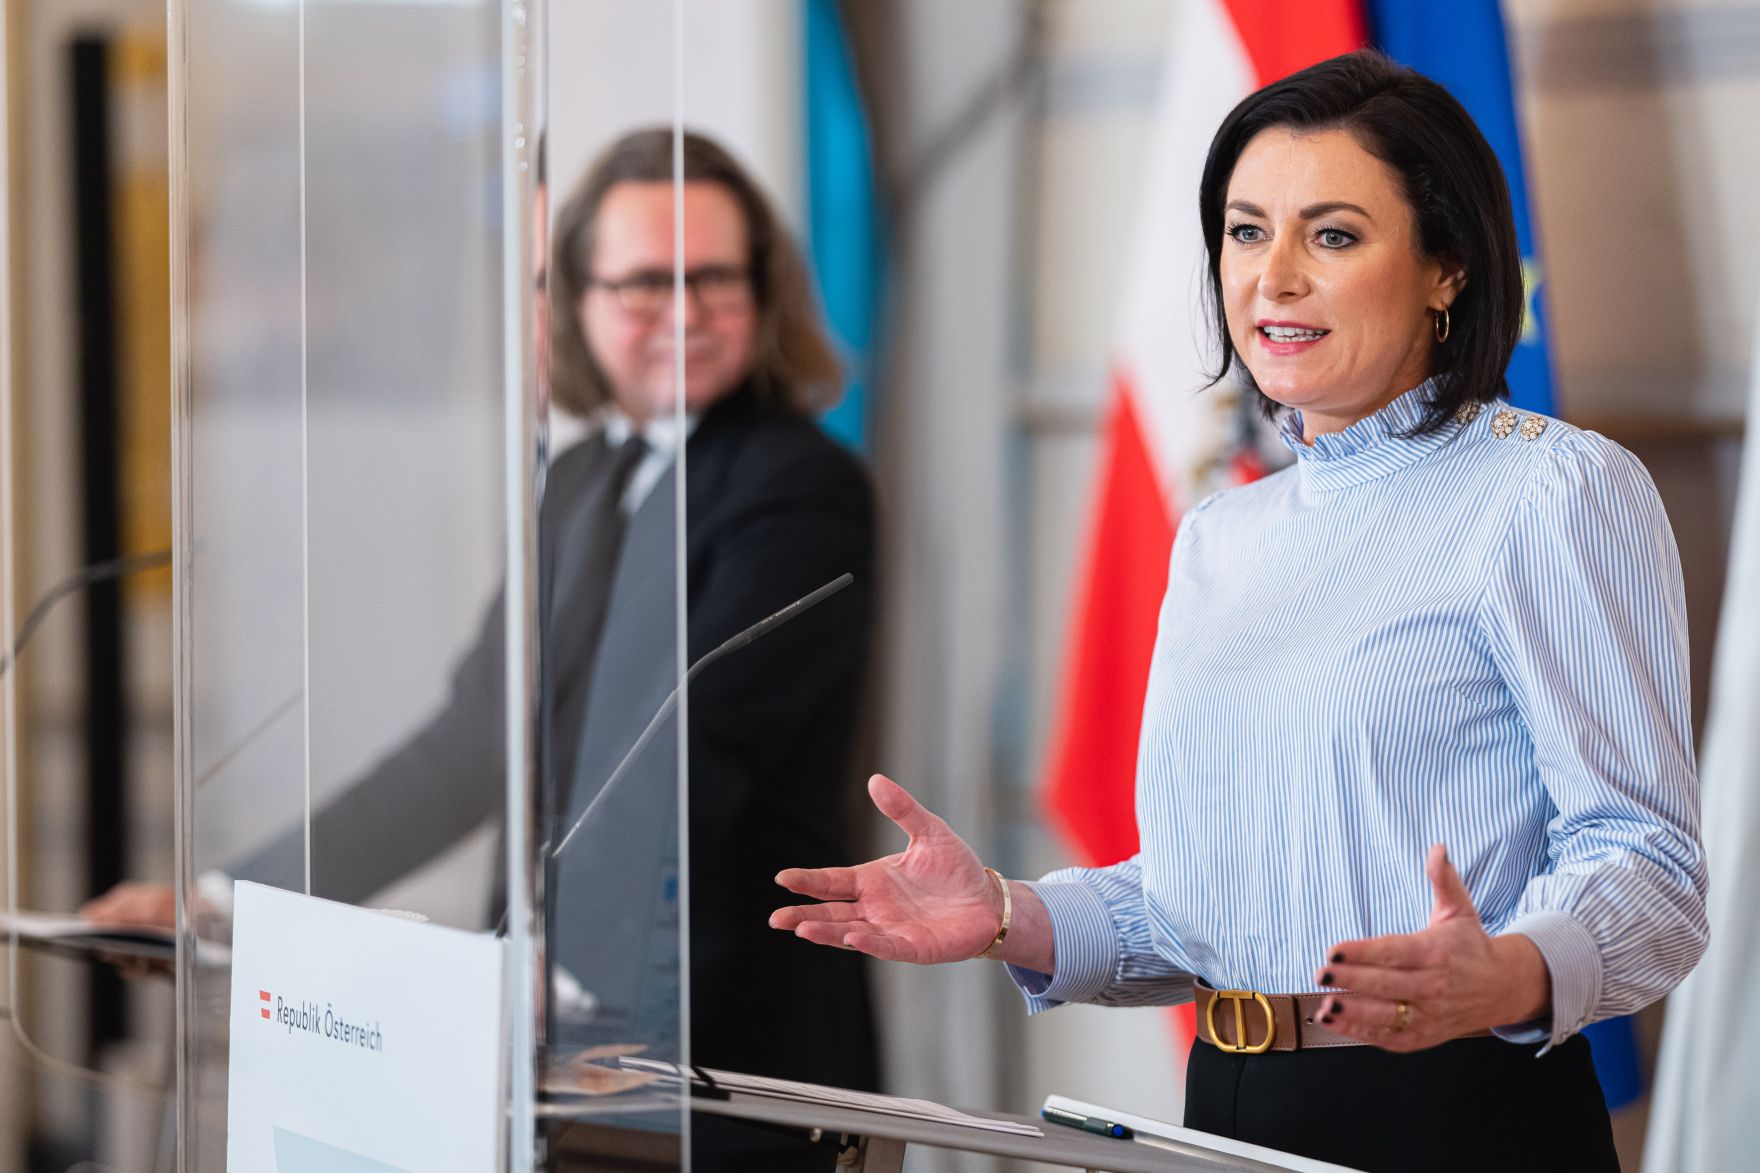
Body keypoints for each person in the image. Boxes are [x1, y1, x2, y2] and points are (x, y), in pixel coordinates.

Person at [771, 49, 1706, 1173]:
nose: (1272, 278)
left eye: (1333, 234)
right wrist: (1010, 912)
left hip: (1454, 1102)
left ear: (1446, 265)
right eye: (1245, 230)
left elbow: (1647, 860)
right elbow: (1194, 906)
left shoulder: (1547, 489)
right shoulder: (1222, 533)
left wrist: (1514, 969)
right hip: (1221, 1106)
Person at [88, 128, 880, 1170]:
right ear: (572, 303)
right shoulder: (581, 480)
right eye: (645, 284)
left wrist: (548, 967)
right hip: (558, 1068)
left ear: (764, 294)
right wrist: (234, 902)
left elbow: (691, 756)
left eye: (715, 280)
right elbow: (469, 747)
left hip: (723, 1064)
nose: (683, 316)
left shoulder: (798, 483)